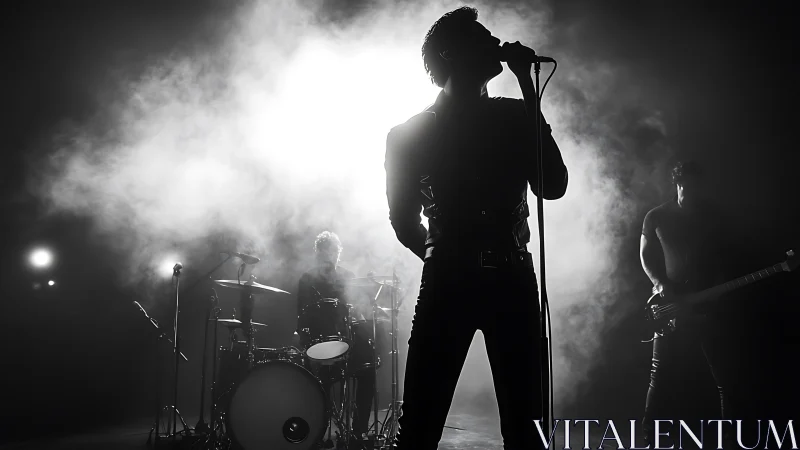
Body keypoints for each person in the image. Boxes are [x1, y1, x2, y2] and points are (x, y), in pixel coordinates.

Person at [384, 7, 568, 449]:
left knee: (528, 428)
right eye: (482, 37)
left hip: (513, 281)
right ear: (451, 52)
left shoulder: (514, 116)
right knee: (420, 427)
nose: (495, 43)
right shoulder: (409, 134)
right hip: (449, 284)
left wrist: (527, 88)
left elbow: (553, 185)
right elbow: (403, 221)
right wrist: (446, 257)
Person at [639, 160, 743, 446]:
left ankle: (729, 439)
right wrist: (660, 284)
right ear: (677, 183)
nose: (692, 192)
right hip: (671, 306)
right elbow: (645, 255)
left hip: (708, 305)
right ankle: (648, 437)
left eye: (697, 186)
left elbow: (724, 255)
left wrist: (718, 287)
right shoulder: (656, 216)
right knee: (659, 375)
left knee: (724, 375)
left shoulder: (713, 216)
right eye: (687, 185)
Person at [296, 231, 375, 447]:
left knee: (368, 368)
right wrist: (305, 339)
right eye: (325, 252)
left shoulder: (349, 277)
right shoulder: (307, 279)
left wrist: (364, 316)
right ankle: (315, 431)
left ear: (339, 253)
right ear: (318, 254)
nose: (330, 256)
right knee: (313, 383)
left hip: (347, 343)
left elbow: (358, 312)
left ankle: (358, 431)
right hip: (318, 345)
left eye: (333, 252)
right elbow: (300, 317)